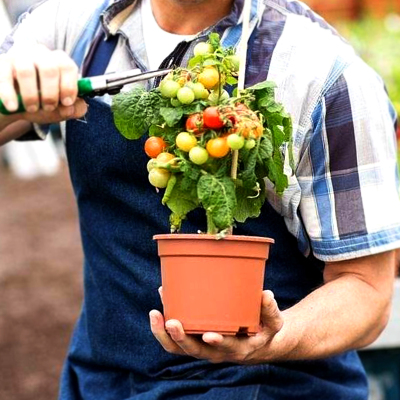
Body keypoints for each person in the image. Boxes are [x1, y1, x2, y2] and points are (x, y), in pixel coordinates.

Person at [0, 0, 399, 398]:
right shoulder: (72, 26)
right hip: (101, 378)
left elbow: (367, 289)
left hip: (263, 385)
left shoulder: (321, 73)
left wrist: (270, 340)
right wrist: (10, 90)